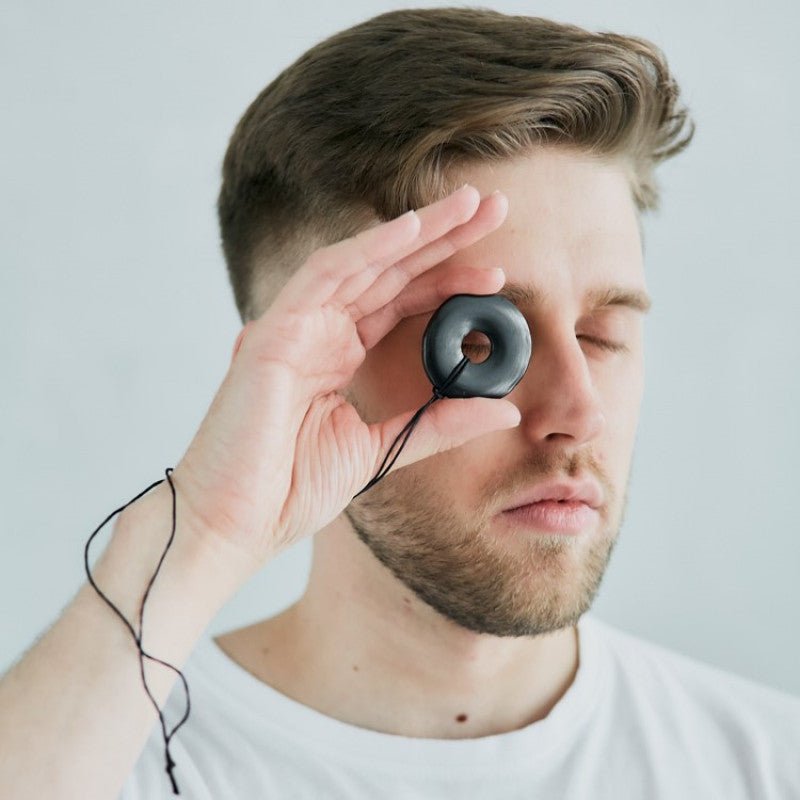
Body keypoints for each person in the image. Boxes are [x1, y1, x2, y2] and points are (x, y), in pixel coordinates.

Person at [1, 7, 798, 799]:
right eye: (484, 343)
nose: (580, 412)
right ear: (296, 369)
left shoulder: (766, 765)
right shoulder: (111, 760)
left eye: (601, 334)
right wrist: (203, 531)